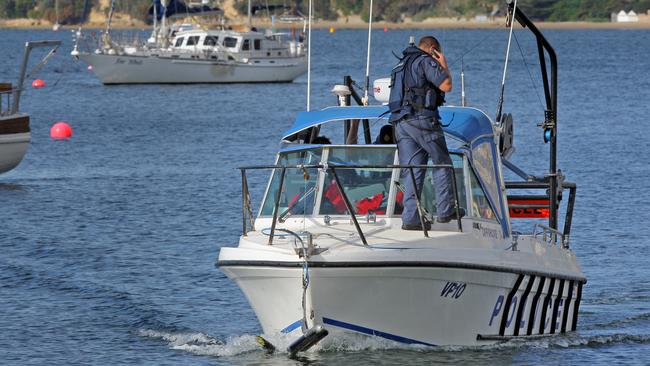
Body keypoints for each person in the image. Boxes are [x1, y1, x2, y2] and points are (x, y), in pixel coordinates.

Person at [388, 36, 464, 230]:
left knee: (414, 169)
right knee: (442, 161)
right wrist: (443, 64)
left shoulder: (401, 65)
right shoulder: (425, 60)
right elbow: (446, 85)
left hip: (401, 123)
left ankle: (411, 218)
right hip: (422, 120)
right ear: (433, 50)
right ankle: (445, 210)